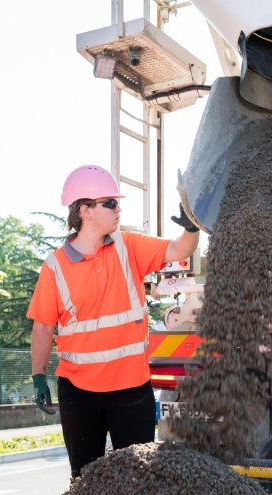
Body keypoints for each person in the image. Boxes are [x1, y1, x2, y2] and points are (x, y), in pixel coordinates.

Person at [27, 164, 199, 477]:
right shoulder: (55, 266)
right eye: (111, 203)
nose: (118, 208)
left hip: (132, 391)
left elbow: (179, 248)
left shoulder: (129, 247)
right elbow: (42, 326)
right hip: (78, 393)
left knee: (137, 483)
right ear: (86, 210)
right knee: (85, 483)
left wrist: (191, 227)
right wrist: (38, 376)